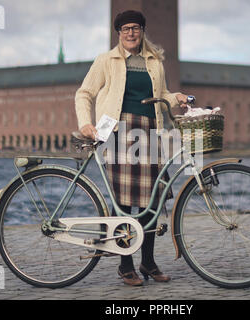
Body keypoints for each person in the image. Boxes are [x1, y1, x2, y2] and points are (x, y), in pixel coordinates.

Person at [75, 10, 190, 286]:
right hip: (118, 132)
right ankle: (125, 265)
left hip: (151, 133)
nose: (130, 33)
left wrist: (178, 98)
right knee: (124, 203)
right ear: (118, 33)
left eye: (135, 28)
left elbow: (160, 95)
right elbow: (85, 93)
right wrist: (85, 124)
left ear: (142, 31)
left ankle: (148, 262)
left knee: (153, 202)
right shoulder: (107, 60)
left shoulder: (154, 62)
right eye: (125, 28)